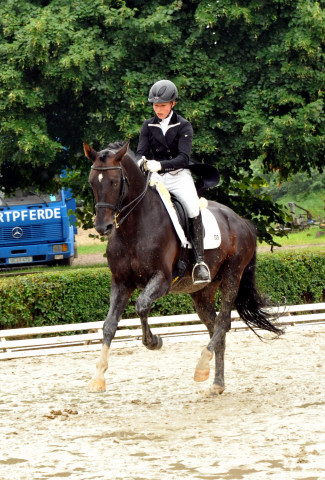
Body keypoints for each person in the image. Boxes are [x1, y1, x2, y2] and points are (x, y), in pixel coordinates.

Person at [136, 79, 211, 284]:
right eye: (155, 105)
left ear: (173, 104)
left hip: (178, 176)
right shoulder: (148, 125)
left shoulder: (184, 125)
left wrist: (159, 165)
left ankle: (199, 262)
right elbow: (141, 153)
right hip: (156, 178)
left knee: (193, 208)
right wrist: (140, 161)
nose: (158, 109)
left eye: (162, 105)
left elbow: (183, 159)